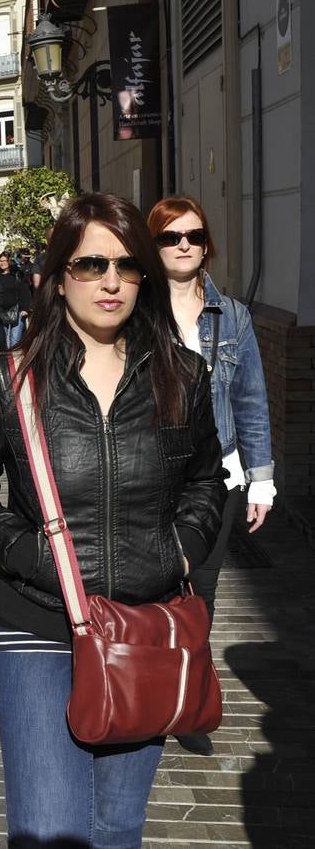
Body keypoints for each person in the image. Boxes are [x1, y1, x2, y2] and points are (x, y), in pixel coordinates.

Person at [0, 193, 224, 847]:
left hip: (143, 628)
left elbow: (206, 480)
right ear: (58, 275)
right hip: (36, 623)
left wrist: (178, 552)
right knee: (49, 829)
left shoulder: (183, 376)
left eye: (126, 265)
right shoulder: (6, 380)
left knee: (116, 826)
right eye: (90, 264)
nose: (110, 281)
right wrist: (30, 555)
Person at [150, 196, 275, 756]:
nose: (183, 245)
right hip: (147, 474)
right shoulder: (134, 308)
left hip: (217, 476)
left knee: (201, 590)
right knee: (147, 589)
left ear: (207, 245)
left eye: (194, 236)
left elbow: (250, 400)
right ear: (152, 246)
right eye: (170, 236)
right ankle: (147, 693)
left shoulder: (235, 317)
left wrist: (262, 478)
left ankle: (188, 700)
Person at [0, 251, 32, 352]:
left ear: (9, 261)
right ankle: (6, 362)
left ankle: (15, 364)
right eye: (0, 261)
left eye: (4, 261)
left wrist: (25, 308)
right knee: (2, 341)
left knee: (15, 341)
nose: (2, 263)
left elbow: (25, 292)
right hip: (1, 312)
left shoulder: (18, 275)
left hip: (17, 310)